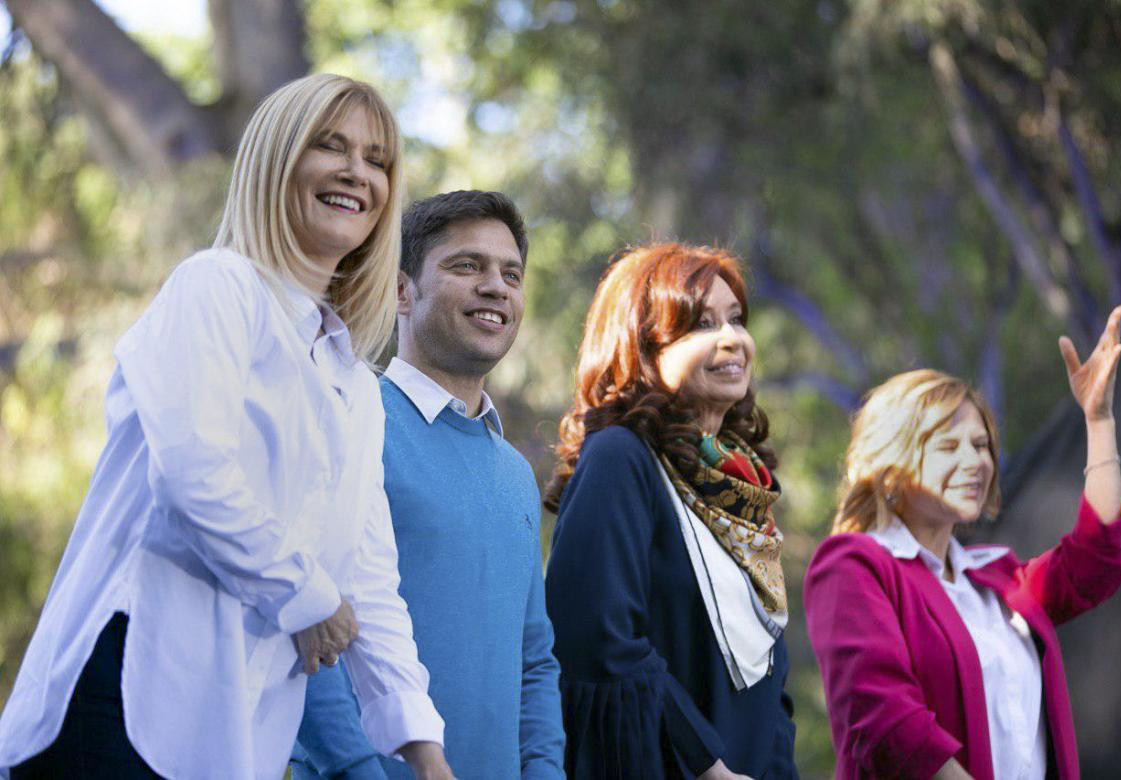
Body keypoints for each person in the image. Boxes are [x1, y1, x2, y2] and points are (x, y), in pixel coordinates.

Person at [0, 74, 454, 779]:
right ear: (277, 162)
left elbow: (368, 579)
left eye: (377, 160)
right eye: (329, 146)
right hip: (123, 695)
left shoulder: (355, 388)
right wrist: (310, 599)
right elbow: (192, 476)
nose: (356, 173)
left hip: (231, 734)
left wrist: (426, 755)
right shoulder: (216, 288)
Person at [292, 190, 565, 779]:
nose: (496, 286)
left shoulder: (516, 475)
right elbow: (305, 619)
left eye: (511, 273)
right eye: (466, 265)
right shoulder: (352, 422)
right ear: (399, 290)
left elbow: (534, 660)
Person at [804, 307, 1121, 780]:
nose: (976, 461)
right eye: (948, 446)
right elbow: (886, 723)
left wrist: (1098, 422)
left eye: (981, 445)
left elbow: (1100, 557)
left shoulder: (998, 582)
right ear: (890, 465)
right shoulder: (853, 565)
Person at [543, 243, 799, 779]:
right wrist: (708, 768)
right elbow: (599, 638)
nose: (732, 339)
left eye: (736, 319)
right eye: (701, 325)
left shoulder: (742, 484)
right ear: (641, 347)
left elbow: (769, 676)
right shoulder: (621, 457)